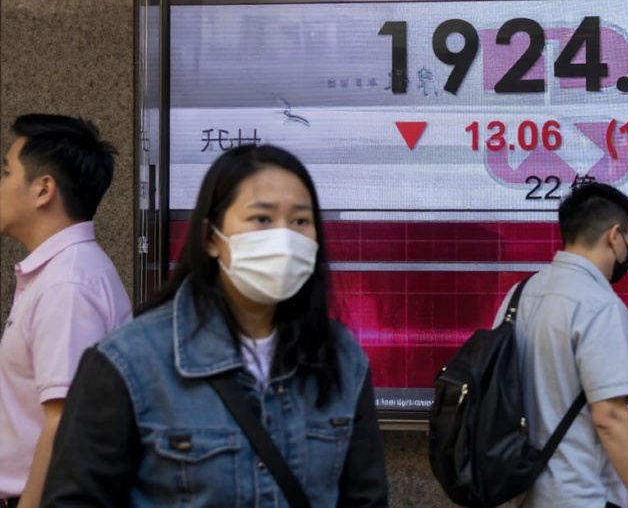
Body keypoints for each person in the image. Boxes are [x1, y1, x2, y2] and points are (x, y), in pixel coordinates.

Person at [41, 144, 389, 507]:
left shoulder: (341, 356)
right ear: (211, 238)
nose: (284, 238)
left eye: (301, 221)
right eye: (262, 219)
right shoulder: (128, 362)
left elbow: (366, 497)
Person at [494, 183, 628, 508]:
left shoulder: (519, 293)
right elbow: (609, 416)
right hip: (576, 493)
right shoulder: (600, 305)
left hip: (514, 489)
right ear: (615, 236)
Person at [0, 114, 131, 508]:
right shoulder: (61, 273)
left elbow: (63, 425)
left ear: (43, 189)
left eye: (6, 173)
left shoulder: (67, 284)